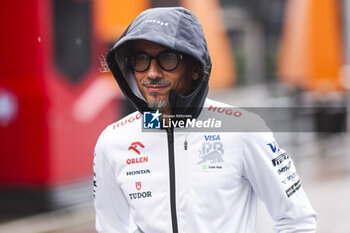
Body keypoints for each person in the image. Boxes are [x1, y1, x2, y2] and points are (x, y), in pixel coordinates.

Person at [93, 7, 317, 233]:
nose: (152, 73)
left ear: (195, 68)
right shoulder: (112, 141)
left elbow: (297, 220)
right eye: (141, 59)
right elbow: (110, 228)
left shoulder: (243, 128)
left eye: (167, 58)